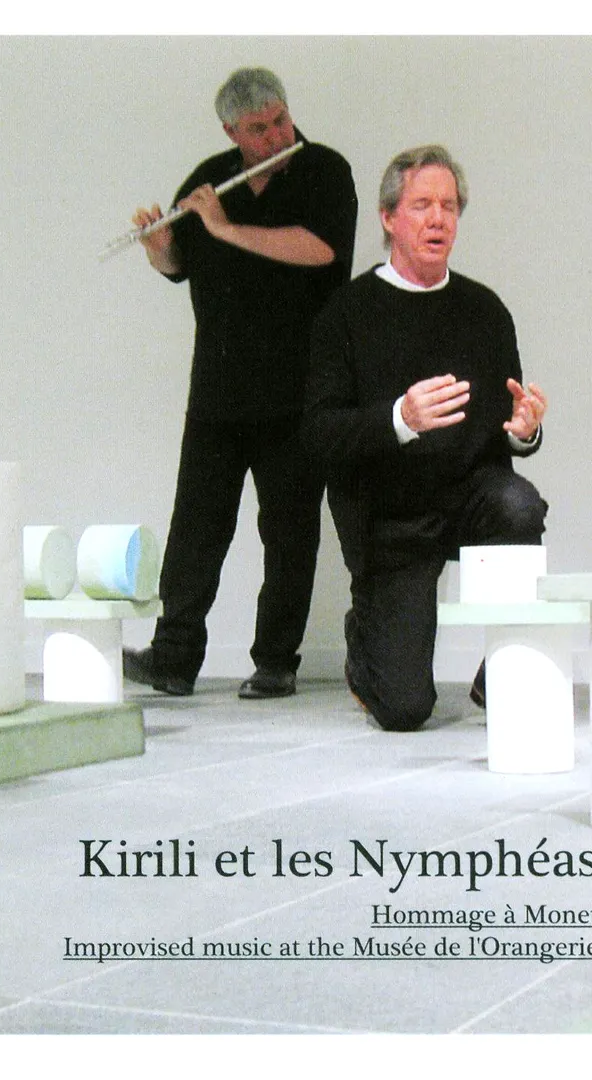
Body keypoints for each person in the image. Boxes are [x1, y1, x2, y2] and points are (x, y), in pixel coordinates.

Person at [121, 66, 358, 699]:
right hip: (218, 391)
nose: (277, 135)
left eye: (280, 119)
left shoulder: (324, 171)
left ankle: (276, 661)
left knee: (288, 532)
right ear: (232, 131)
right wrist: (160, 248)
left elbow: (322, 250)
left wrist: (224, 227)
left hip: (297, 392)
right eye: (259, 128)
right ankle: (174, 657)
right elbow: (179, 265)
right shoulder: (207, 179)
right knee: (196, 529)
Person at [303, 144, 548, 732]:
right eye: (421, 205)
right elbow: (319, 434)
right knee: (405, 709)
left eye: (449, 206)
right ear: (389, 217)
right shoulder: (346, 312)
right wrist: (399, 419)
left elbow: (505, 427)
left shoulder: (485, 310)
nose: (438, 219)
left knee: (519, 504)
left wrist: (525, 432)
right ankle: (366, 642)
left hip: (467, 495)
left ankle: (501, 669)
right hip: (390, 516)